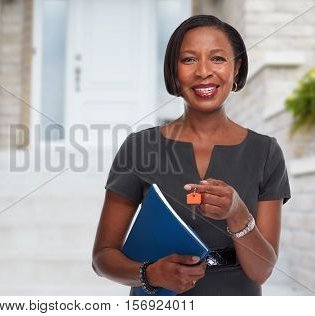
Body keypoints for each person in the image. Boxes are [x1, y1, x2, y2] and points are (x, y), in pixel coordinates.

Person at [91, 15, 291, 296]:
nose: (203, 71)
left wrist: (237, 214)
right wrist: (149, 273)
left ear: (237, 68)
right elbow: (102, 258)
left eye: (218, 59)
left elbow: (262, 271)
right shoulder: (139, 148)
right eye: (188, 60)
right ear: (174, 72)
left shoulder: (265, 151)